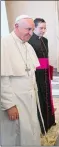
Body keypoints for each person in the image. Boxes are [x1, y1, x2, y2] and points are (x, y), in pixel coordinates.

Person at [1, 15, 41, 145]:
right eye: (28, 29)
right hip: (15, 100)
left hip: (28, 98)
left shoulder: (27, 46)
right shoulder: (4, 44)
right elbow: (3, 79)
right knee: (16, 133)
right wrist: (9, 105)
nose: (31, 33)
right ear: (16, 26)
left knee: (30, 129)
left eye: (32, 29)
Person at [28, 18, 55, 134]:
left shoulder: (45, 40)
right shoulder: (29, 41)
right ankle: (42, 124)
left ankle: (50, 121)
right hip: (36, 74)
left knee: (48, 96)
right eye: (41, 28)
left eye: (45, 28)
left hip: (45, 74)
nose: (43, 31)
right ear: (34, 27)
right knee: (40, 97)